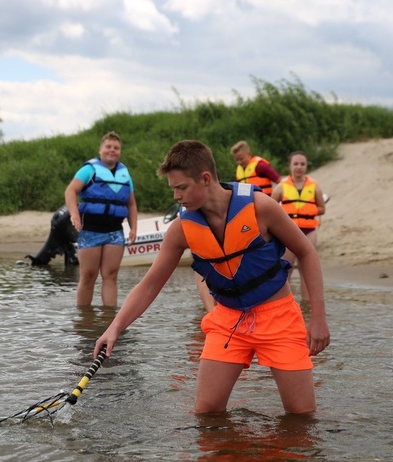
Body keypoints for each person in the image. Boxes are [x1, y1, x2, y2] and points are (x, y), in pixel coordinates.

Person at [93, 140, 330, 415]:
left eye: (181, 187)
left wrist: (319, 319)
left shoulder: (260, 207)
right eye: (173, 189)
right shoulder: (181, 229)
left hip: (278, 316)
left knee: (301, 418)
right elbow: (150, 284)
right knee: (206, 416)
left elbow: (307, 253)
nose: (176, 196)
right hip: (227, 320)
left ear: (205, 179)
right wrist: (115, 328)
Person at [65, 131, 138, 307]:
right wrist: (74, 214)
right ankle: (84, 318)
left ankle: (109, 317)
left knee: (111, 275)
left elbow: (131, 205)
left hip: (115, 232)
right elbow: (70, 191)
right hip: (91, 230)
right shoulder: (89, 170)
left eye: (116, 148)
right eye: (108, 147)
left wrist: (133, 228)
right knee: (89, 275)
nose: (112, 150)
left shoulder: (124, 174)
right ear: (100, 149)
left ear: (120, 151)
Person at [271, 152, 326, 302]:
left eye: (302, 164)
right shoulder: (282, 186)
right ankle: (285, 302)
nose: (299, 167)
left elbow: (322, 208)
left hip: (309, 230)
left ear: (306, 166)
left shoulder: (314, 186)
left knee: (306, 268)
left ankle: (306, 303)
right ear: (290, 166)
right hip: (289, 231)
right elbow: (270, 206)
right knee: (286, 268)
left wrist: (308, 210)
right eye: (296, 164)